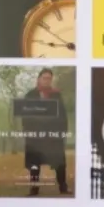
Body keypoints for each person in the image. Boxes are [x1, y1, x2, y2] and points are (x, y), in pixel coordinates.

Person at [17, 68, 69, 196]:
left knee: (60, 162)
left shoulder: (56, 95)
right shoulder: (30, 95)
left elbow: (63, 115)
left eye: (49, 78)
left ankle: (63, 187)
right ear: (39, 79)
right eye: (45, 78)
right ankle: (34, 189)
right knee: (35, 163)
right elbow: (26, 116)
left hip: (53, 135)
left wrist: (62, 132)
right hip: (36, 136)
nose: (47, 81)